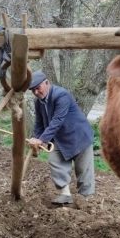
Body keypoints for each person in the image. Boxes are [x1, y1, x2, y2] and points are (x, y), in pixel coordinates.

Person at [26, 70, 95, 206]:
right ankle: (65, 194)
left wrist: (42, 140)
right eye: (32, 90)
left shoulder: (61, 95)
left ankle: (86, 200)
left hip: (79, 136)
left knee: (83, 169)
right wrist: (35, 138)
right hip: (59, 138)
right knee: (54, 160)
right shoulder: (38, 102)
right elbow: (39, 123)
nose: (36, 92)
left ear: (47, 83)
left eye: (37, 88)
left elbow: (57, 120)